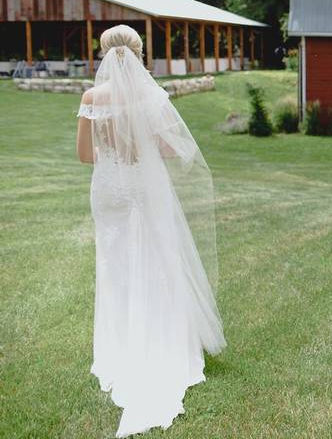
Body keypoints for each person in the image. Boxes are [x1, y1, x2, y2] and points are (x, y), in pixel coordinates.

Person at [76, 24, 226, 437]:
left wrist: (113, 152)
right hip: (144, 185)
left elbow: (86, 155)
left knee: (116, 265)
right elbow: (171, 147)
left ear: (104, 55)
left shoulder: (91, 99)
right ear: (139, 54)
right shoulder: (150, 96)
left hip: (109, 190)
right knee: (160, 258)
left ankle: (120, 345)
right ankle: (164, 340)